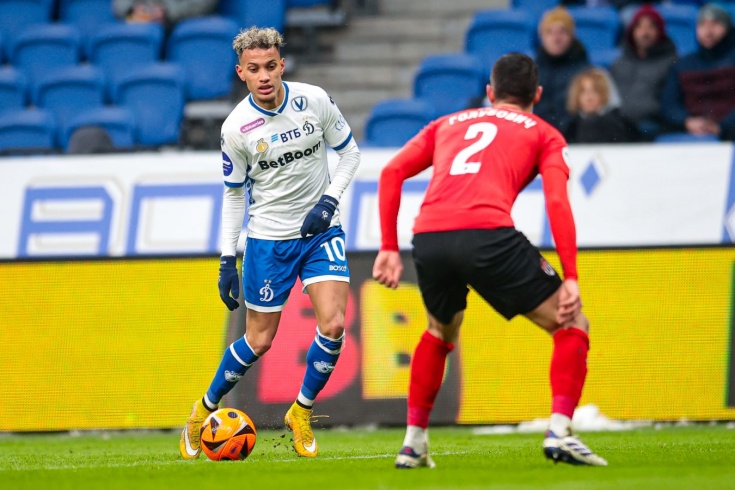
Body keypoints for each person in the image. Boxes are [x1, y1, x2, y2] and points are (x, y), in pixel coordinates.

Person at [372, 52, 607, 469]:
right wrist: (571, 275)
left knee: (439, 331)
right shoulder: (545, 133)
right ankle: (560, 431)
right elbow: (556, 201)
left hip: (429, 236)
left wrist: (389, 246)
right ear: (537, 94)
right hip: (487, 234)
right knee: (572, 323)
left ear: (489, 92)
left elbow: (391, 172)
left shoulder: (446, 123)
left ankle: (413, 443)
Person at [179, 26, 361, 460]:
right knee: (259, 341)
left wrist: (329, 201)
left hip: (320, 232)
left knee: (334, 324)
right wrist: (227, 259)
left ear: (282, 65)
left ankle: (300, 411)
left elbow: (350, 153)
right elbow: (233, 195)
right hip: (268, 240)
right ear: (241, 72)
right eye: (254, 69)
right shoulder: (235, 128)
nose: (264, 76)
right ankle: (202, 410)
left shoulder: (313, 100)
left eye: (271, 66)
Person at [660, 3, 735, 141]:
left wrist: (722, 126)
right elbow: (669, 104)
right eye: (702, 25)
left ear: (728, 29)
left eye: (715, 24)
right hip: (691, 132)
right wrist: (687, 121)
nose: (708, 31)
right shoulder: (683, 65)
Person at [610, 5, 678, 141]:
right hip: (620, 123)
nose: (645, 33)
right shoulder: (619, 64)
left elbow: (670, 105)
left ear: (660, 31)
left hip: (652, 124)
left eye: (651, 27)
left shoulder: (672, 63)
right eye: (639, 27)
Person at [534, 7, 591, 132]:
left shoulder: (585, 72)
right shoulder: (531, 71)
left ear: (571, 35)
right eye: (549, 32)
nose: (556, 38)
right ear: (541, 37)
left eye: (562, 31)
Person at [564, 68, 639, 143]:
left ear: (604, 93)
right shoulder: (571, 128)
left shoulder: (621, 125)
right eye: (583, 92)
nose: (589, 98)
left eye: (595, 91)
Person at [113, 0, 218, 27]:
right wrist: (132, 10)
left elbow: (204, 3)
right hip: (145, 26)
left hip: (180, 24)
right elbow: (120, 5)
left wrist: (167, 11)